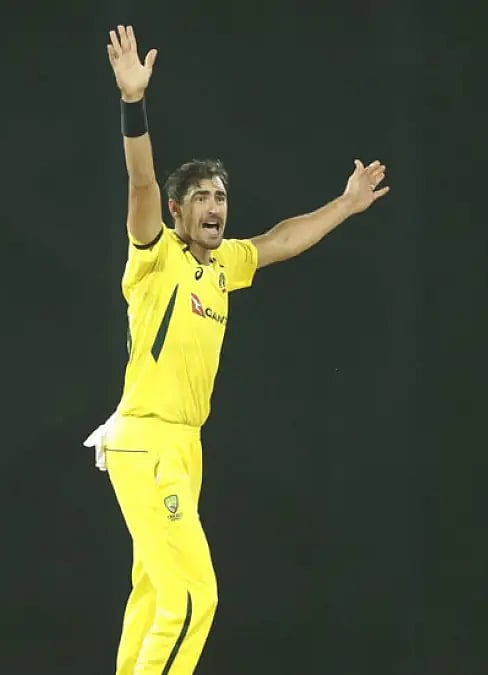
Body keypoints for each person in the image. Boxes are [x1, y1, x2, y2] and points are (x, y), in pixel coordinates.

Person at [85, 25, 391, 675]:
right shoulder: (156, 255)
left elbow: (280, 239)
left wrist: (344, 204)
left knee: (152, 594)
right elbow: (141, 184)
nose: (215, 206)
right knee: (195, 597)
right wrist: (133, 103)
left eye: (221, 196)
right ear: (176, 211)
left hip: (182, 446)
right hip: (145, 439)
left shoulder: (223, 266)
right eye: (200, 197)